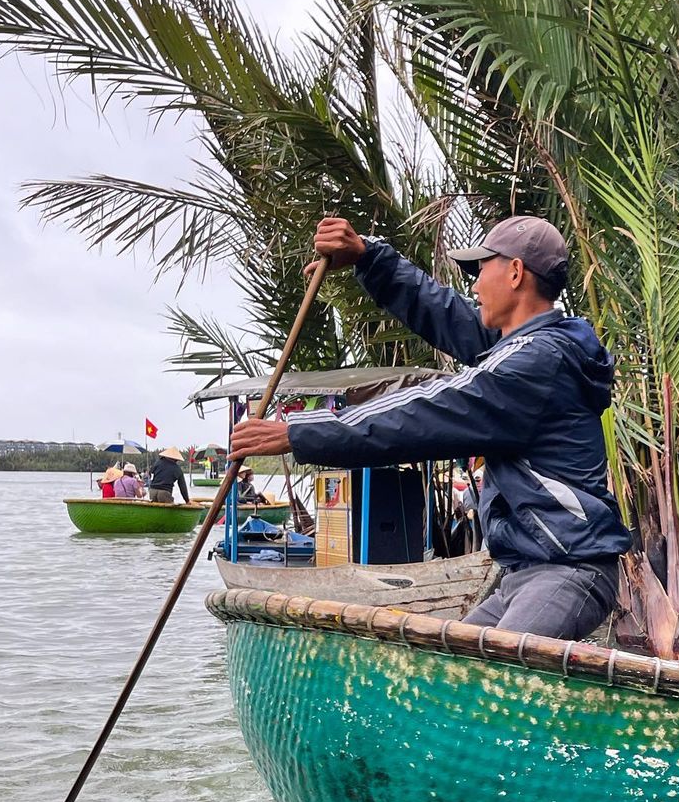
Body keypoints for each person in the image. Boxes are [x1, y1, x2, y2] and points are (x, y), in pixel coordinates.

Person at [230, 214, 631, 640]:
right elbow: (446, 314)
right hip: (528, 572)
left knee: (486, 686)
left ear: (515, 272)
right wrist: (369, 258)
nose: (475, 286)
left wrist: (297, 432)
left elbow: (423, 412)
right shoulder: (532, 346)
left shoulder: (534, 363)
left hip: (567, 569)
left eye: (481, 270)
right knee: (443, 668)